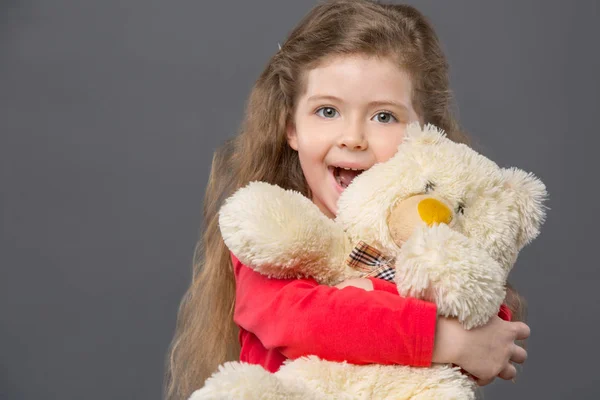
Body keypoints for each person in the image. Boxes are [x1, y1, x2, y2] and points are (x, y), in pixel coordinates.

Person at [164, 1, 530, 399]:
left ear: (425, 134)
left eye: (384, 117)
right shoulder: (272, 234)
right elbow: (303, 322)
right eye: (327, 111)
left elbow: (479, 304)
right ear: (291, 128)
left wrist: (487, 323)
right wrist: (443, 339)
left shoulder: (428, 226)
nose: (353, 136)